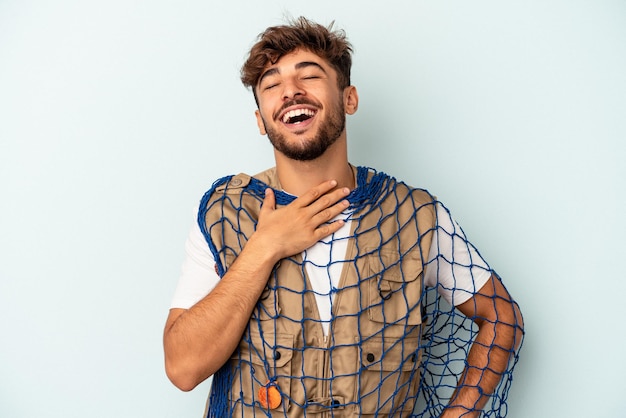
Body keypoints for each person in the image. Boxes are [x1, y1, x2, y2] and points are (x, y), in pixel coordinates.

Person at [163, 17, 524, 418]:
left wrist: (462, 413)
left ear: (349, 98)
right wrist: (264, 247)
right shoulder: (225, 214)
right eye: (271, 84)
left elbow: (502, 318)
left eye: (309, 76)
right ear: (260, 120)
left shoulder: (415, 216)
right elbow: (182, 368)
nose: (290, 92)